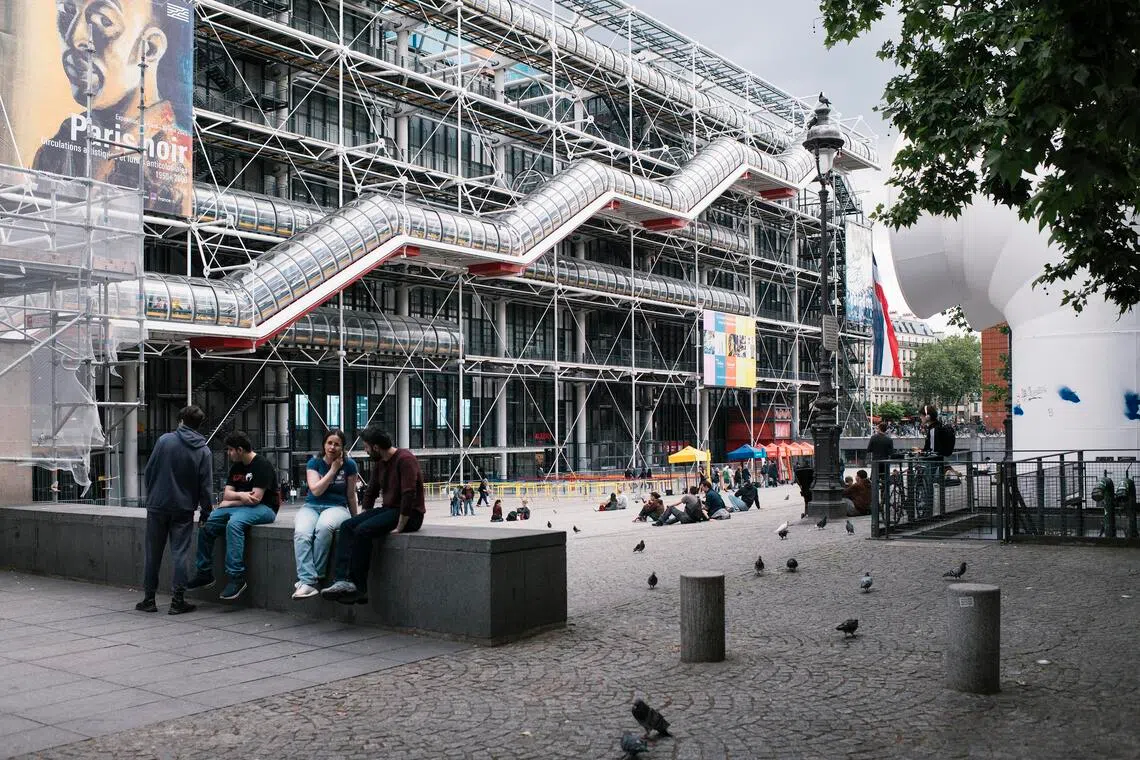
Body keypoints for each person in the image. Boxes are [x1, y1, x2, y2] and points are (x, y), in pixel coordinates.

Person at [36, 0, 192, 216]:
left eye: (103, 20)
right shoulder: (64, 141)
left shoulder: (174, 161)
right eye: (67, 12)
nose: (74, 38)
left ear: (150, 48)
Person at [321, 427, 425, 603]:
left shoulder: (405, 459)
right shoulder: (381, 462)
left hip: (410, 515)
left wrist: (400, 526)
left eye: (367, 447)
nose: (365, 450)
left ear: (376, 447)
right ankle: (341, 581)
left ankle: (359, 588)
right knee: (348, 525)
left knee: (363, 531)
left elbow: (409, 494)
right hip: (389, 509)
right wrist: (363, 516)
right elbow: (371, 491)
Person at [136, 405, 213, 615]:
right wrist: (206, 512)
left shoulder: (164, 441)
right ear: (199, 425)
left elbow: (150, 470)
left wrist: (153, 495)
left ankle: (149, 599)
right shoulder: (203, 450)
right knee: (180, 554)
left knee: (153, 554)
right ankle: (178, 601)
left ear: (181, 420)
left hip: (158, 505)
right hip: (184, 508)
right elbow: (206, 486)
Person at [186, 431, 279, 601]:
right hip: (245, 507)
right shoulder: (237, 467)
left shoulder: (262, 465)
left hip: (265, 508)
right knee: (207, 523)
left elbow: (255, 499)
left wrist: (231, 502)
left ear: (240, 449)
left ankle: (236, 577)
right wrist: (241, 497)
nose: (228, 454)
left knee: (234, 524)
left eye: (230, 450)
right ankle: (204, 573)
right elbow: (227, 494)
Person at [291, 430, 358, 600]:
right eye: (329, 443)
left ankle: (311, 579)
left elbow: (351, 495)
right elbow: (316, 490)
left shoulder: (350, 465)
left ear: (343, 447)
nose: (332, 447)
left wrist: (355, 518)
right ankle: (308, 580)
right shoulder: (314, 463)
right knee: (301, 533)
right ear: (324, 444)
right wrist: (333, 470)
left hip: (337, 507)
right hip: (312, 506)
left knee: (324, 527)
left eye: (337, 444)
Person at [866, 421, 895, 512]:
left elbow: (869, 449)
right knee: (885, 484)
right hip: (885, 463)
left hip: (876, 463)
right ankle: (884, 502)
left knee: (875, 483)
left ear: (879, 429)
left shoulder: (873, 438)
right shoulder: (889, 440)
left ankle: (876, 504)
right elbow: (891, 453)